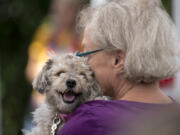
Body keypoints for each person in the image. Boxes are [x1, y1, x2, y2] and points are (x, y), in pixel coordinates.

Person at [58, 0, 180, 135]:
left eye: (86, 53)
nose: (81, 62)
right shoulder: (174, 117)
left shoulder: (91, 122)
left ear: (118, 60)